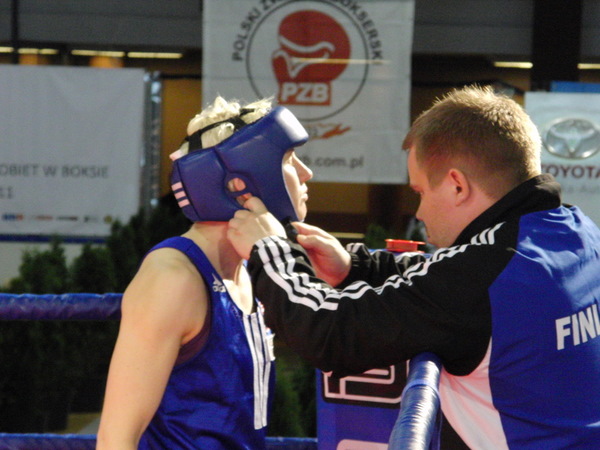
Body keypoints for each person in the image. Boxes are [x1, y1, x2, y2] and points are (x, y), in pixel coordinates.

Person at [227, 85, 600, 449]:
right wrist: (356, 267)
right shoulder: (580, 234)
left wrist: (268, 249)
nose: (419, 212)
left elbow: (328, 331)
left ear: (457, 185)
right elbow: (451, 277)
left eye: (420, 192)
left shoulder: (478, 278)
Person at [96, 96, 313, 449]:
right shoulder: (173, 278)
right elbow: (115, 438)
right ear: (243, 181)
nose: (306, 173)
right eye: (288, 159)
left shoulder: (248, 270)